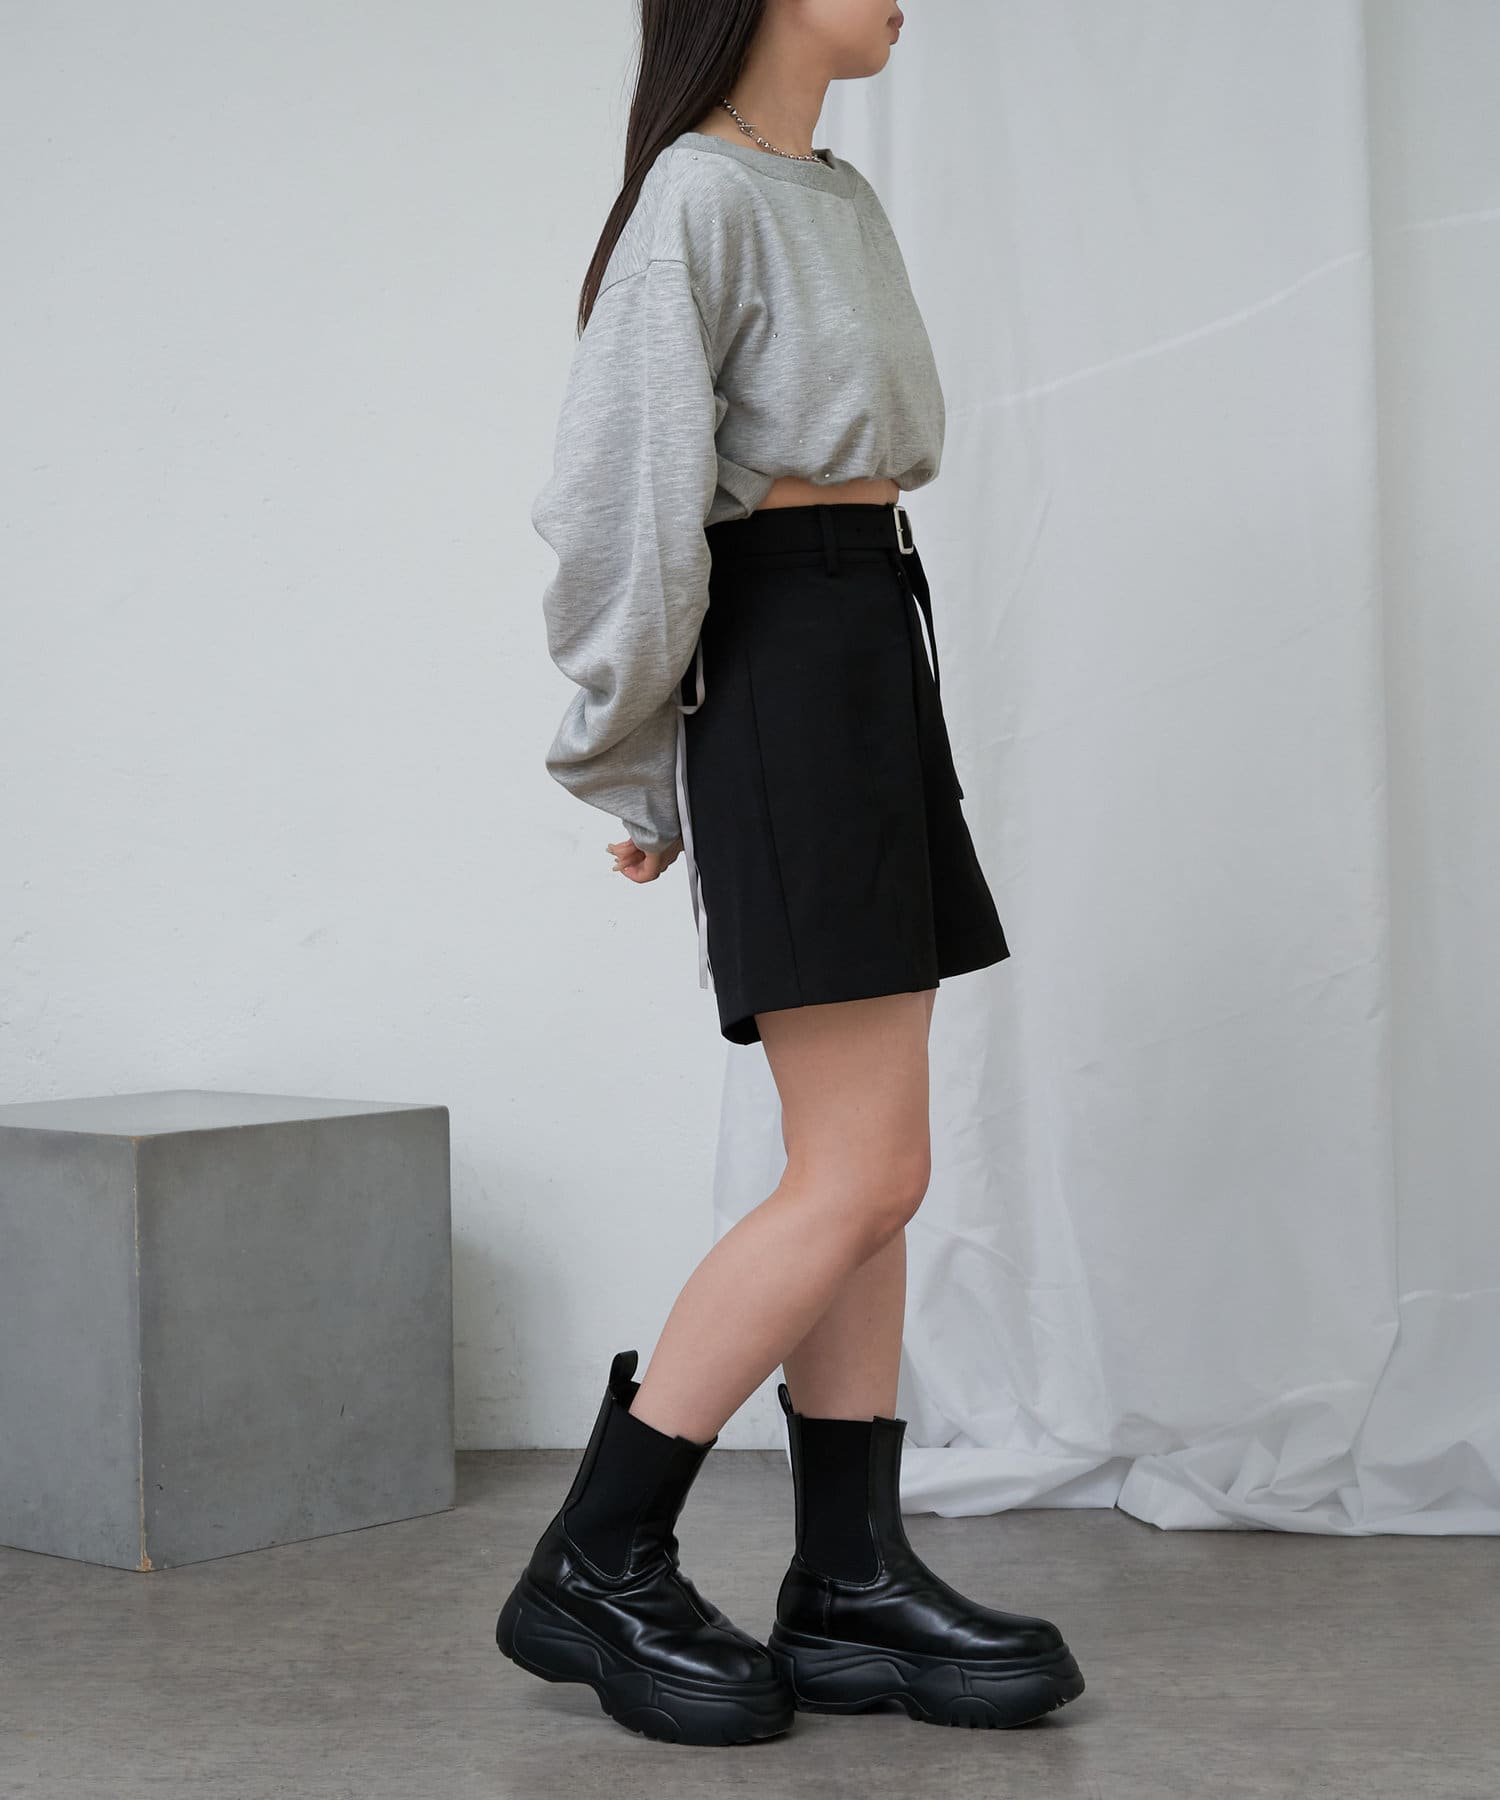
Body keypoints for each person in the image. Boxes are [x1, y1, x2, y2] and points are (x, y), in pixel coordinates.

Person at [497, 0, 1084, 1747]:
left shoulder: (826, 188)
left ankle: (846, 1578)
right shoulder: (695, 198)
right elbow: (619, 502)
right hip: (782, 656)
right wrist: (628, 754)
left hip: (866, 640)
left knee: (871, 1175)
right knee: (861, 1169)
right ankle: (597, 1561)